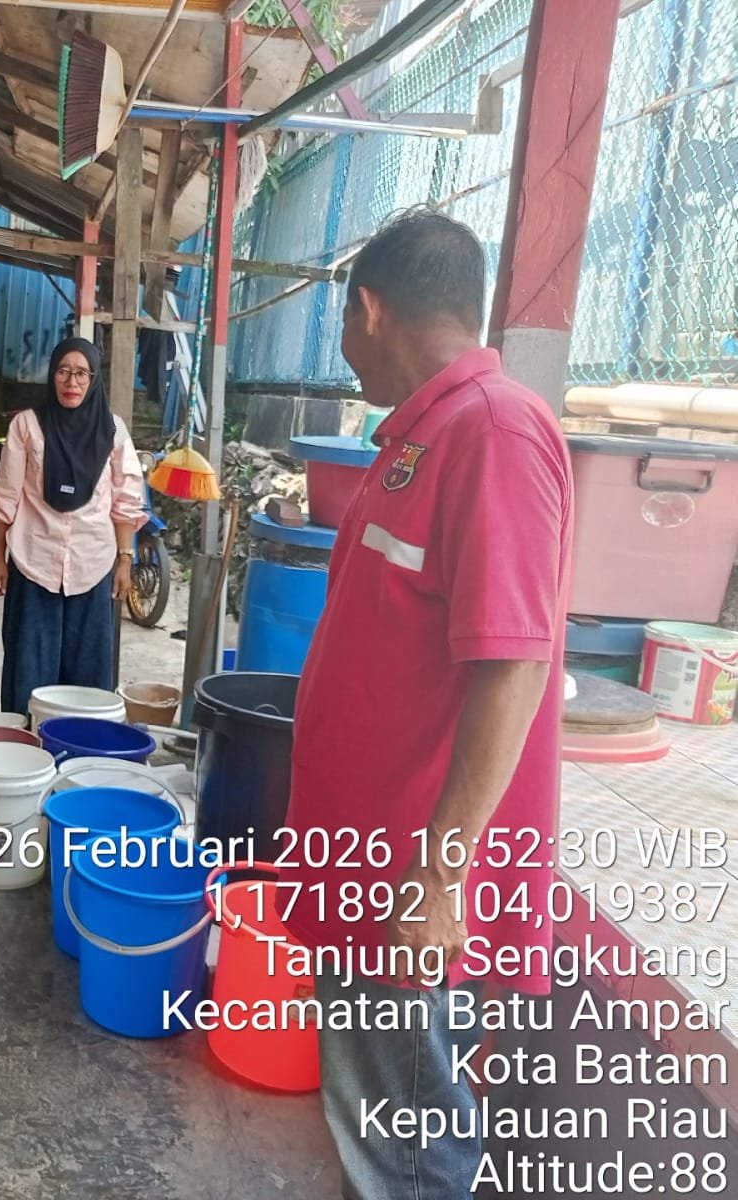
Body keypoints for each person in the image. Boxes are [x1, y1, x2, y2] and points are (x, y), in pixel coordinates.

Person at [279, 210, 573, 1198]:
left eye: (342, 323)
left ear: (369, 310)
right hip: (365, 864)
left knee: (406, 1145)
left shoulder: (493, 432)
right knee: (380, 1126)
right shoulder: (422, 435)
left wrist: (440, 878)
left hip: (406, 883)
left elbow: (513, 665)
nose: (344, 344)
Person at [0, 337, 146, 715]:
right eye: (62, 371)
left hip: (93, 565)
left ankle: (79, 743)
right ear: (52, 375)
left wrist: (125, 560)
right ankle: (28, 742)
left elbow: (126, 500)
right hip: (33, 563)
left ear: (93, 379)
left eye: (81, 374)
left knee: (88, 677)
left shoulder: (112, 431)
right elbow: (7, 496)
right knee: (28, 672)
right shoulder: (27, 425)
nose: (71, 382)